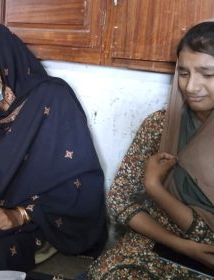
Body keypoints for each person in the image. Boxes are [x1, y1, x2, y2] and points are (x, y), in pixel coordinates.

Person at [0, 23, 108, 272]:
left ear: (1, 57)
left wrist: (21, 214)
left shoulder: (52, 98)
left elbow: (78, 177)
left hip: (37, 209)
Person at [88, 21, 214, 279]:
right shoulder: (160, 125)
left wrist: (155, 187)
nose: (191, 87)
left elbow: (204, 231)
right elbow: (119, 200)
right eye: (184, 72)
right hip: (158, 239)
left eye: (207, 74)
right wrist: (183, 247)